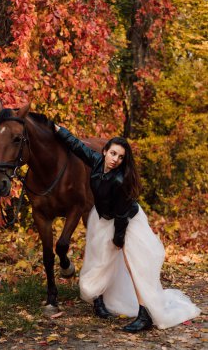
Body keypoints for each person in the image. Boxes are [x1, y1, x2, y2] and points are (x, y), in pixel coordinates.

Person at [55, 125, 201, 332]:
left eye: (121, 157)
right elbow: (77, 146)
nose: (115, 159)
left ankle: (146, 314)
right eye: (113, 153)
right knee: (100, 260)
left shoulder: (120, 179)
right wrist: (58, 130)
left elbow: (122, 216)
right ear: (105, 152)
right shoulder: (97, 162)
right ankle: (99, 300)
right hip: (103, 219)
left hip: (127, 222)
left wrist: (118, 240)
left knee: (135, 264)